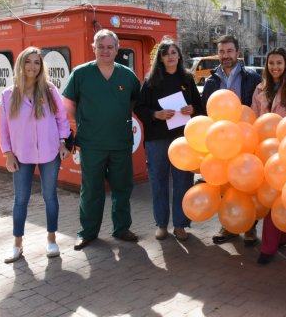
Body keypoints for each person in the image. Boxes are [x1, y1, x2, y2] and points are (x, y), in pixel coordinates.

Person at [62, 29, 141, 250]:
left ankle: (122, 228)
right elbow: (69, 104)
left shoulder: (127, 75)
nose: (105, 51)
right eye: (101, 46)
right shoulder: (81, 74)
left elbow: (135, 100)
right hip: (91, 143)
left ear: (117, 49)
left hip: (120, 143)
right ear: (94, 48)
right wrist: (86, 122)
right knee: (91, 190)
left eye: (109, 47)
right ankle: (87, 232)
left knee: (122, 188)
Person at [0, 47, 71, 263]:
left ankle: (51, 239)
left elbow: (62, 118)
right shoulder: (8, 95)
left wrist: (63, 142)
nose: (33, 66)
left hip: (50, 153)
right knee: (21, 199)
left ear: (41, 67)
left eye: (37, 63)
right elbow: (3, 128)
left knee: (50, 197)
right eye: (28, 62)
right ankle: (17, 244)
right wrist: (7, 153)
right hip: (21, 155)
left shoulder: (49, 91)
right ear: (21, 65)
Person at [134, 40, 204, 241]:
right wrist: (156, 114)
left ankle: (180, 225)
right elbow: (139, 107)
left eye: (174, 52)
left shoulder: (187, 79)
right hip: (157, 140)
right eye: (166, 54)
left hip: (183, 139)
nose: (170, 56)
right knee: (158, 181)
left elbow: (199, 107)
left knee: (183, 181)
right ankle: (162, 224)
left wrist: (192, 109)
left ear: (179, 56)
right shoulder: (150, 81)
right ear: (160, 58)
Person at [202, 35, 261, 246]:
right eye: (222, 52)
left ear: (238, 52)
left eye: (229, 51)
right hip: (221, 142)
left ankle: (250, 227)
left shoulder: (251, 78)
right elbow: (205, 112)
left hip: (245, 139)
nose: (226, 56)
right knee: (224, 185)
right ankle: (228, 225)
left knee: (246, 182)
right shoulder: (211, 81)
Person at [251, 48, 286, 264]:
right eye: (271, 63)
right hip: (265, 150)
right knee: (272, 196)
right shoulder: (259, 88)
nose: (275, 67)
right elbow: (255, 118)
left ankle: (268, 247)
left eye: (279, 63)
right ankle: (285, 237)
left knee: (283, 195)